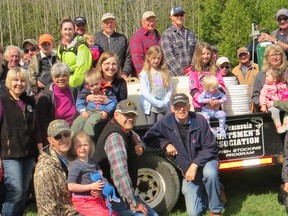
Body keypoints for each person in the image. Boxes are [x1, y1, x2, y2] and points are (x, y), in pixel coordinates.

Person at [143, 93, 224, 216]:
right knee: (193, 213)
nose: (181, 109)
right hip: (189, 171)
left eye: (184, 105)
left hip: (206, 161)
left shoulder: (200, 119)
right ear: (172, 108)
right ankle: (216, 190)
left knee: (210, 174)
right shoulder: (165, 122)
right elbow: (148, 138)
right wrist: (165, 144)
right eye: (177, 106)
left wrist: (195, 164)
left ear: (189, 106)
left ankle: (216, 210)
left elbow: (211, 147)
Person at [95, 99, 158, 216]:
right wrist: (132, 202)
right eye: (126, 115)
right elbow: (120, 174)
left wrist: (141, 145)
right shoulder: (115, 137)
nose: (130, 118)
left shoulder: (123, 129)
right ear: (116, 115)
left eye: (133, 115)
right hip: (115, 196)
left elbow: (135, 136)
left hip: (120, 193)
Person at [0, 67, 42, 216]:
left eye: (22, 80)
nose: (19, 83)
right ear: (9, 82)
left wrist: (41, 151)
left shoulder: (29, 101)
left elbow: (36, 128)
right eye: (15, 80)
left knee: (24, 191)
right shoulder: (2, 100)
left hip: (28, 153)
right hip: (10, 155)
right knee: (15, 190)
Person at [67, 130, 118, 216]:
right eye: (79, 146)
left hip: (96, 198)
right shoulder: (75, 165)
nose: (82, 148)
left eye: (85, 145)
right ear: (74, 149)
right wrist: (91, 186)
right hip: (83, 200)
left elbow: (99, 171)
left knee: (113, 214)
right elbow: (71, 186)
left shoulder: (92, 160)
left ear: (90, 146)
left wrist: (101, 185)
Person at [34, 119, 79, 215]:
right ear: (50, 140)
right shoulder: (44, 169)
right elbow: (46, 210)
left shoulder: (77, 155)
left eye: (66, 134)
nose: (63, 139)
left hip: (84, 206)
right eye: (58, 136)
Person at [36, 62, 77, 146]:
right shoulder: (46, 97)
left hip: (74, 134)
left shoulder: (74, 92)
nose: (61, 78)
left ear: (69, 76)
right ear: (53, 78)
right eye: (57, 76)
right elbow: (43, 125)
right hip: (57, 139)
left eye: (64, 75)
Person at [71, 69, 117, 136]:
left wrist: (106, 111)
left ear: (100, 81)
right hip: (88, 111)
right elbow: (79, 101)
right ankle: (72, 139)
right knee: (76, 123)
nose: (95, 87)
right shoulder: (85, 91)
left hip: (100, 112)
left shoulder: (107, 90)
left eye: (96, 84)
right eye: (92, 86)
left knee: (90, 123)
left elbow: (114, 102)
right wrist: (83, 111)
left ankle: (88, 140)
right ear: (88, 85)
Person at [139, 45, 172, 124]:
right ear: (148, 57)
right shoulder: (144, 74)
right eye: (154, 58)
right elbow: (144, 92)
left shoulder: (164, 72)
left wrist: (166, 101)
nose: (156, 60)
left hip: (163, 106)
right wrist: (156, 102)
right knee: (151, 128)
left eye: (159, 58)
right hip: (151, 107)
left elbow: (169, 88)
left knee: (162, 126)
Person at [189, 42, 226, 112]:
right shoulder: (194, 70)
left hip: (215, 105)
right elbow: (193, 89)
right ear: (198, 55)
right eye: (203, 54)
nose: (205, 56)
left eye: (208, 53)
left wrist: (217, 100)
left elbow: (221, 86)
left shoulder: (216, 69)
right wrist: (205, 100)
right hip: (200, 106)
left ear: (211, 54)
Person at [161, 6, 197, 76]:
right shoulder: (167, 34)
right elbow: (168, 57)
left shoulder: (191, 33)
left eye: (181, 15)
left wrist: (192, 69)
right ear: (171, 17)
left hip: (191, 74)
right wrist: (182, 73)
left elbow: (196, 52)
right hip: (174, 76)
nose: (179, 17)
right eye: (176, 15)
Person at [96, 12, 134, 79]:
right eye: (106, 22)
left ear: (115, 24)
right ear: (101, 25)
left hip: (119, 76)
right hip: (101, 78)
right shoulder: (95, 39)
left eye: (111, 22)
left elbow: (129, 57)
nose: (109, 24)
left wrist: (125, 73)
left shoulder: (122, 39)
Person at [57, 17, 92, 88]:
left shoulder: (81, 46)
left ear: (74, 30)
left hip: (77, 85)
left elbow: (82, 69)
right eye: (65, 29)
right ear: (61, 31)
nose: (68, 32)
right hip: (63, 83)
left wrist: (71, 82)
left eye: (70, 29)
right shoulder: (61, 46)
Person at [252, 44, 287, 112]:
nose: (274, 57)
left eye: (277, 54)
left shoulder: (286, 72)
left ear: (282, 56)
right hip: (268, 111)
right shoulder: (261, 75)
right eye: (271, 55)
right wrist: (264, 104)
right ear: (267, 58)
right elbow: (255, 96)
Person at [130, 11, 161, 75]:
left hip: (159, 74)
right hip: (146, 75)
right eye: (148, 21)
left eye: (153, 20)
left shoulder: (158, 36)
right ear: (142, 22)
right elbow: (138, 61)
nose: (151, 23)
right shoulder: (137, 37)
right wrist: (146, 75)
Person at [259, 67, 287, 133]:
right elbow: (262, 96)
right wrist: (263, 105)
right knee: (275, 111)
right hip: (272, 105)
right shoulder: (266, 87)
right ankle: (278, 126)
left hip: (281, 103)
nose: (265, 78)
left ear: (274, 79)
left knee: (287, 110)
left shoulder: (282, 85)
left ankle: (286, 123)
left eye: (267, 76)